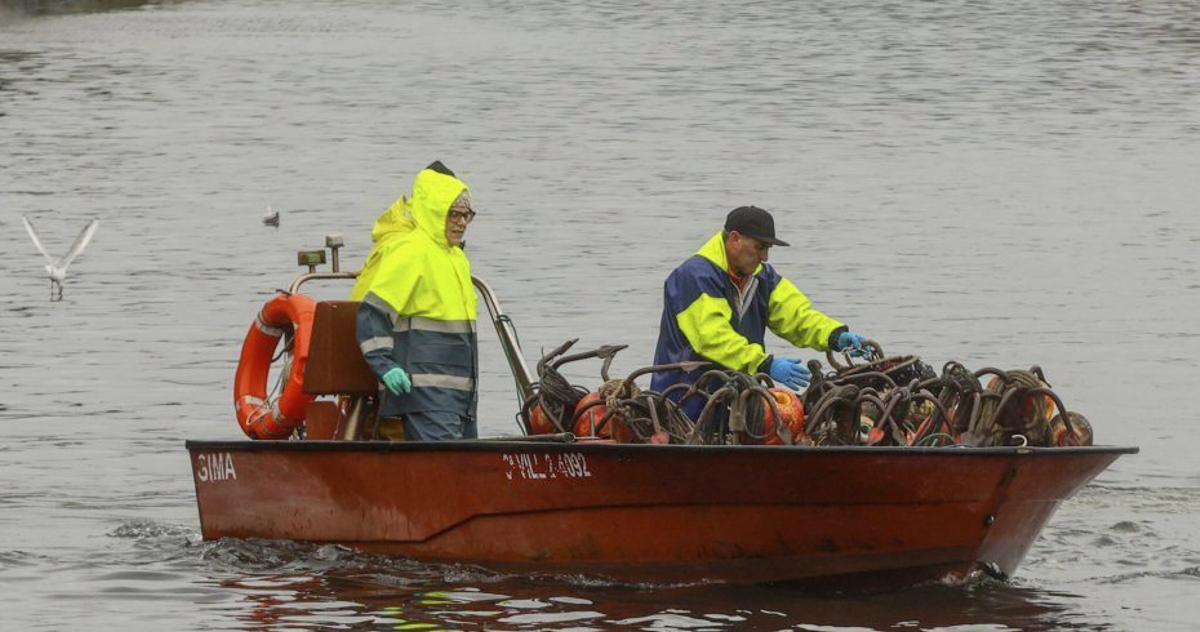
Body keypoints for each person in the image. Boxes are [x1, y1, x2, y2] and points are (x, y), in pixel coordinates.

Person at [651, 205, 869, 418]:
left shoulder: (761, 276)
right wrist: (764, 363)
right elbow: (712, 338)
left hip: (737, 401)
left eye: (768, 249)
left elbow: (797, 316)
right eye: (760, 247)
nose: (765, 257)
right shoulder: (694, 277)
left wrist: (835, 335)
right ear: (735, 239)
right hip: (683, 403)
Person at [355, 161, 479, 441]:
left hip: (462, 400)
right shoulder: (410, 252)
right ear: (436, 212)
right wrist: (385, 366)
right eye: (454, 214)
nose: (461, 222)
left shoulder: (456, 258)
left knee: (466, 473)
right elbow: (372, 313)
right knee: (443, 473)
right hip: (424, 397)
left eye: (466, 215)